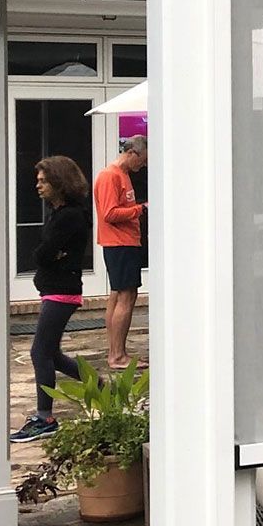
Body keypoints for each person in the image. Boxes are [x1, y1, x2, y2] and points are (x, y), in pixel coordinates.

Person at [10, 156, 90, 443]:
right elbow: (45, 253)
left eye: (44, 181)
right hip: (53, 289)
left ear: (59, 181)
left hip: (62, 291)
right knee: (52, 354)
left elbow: (43, 254)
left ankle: (45, 418)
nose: (38, 185)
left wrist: (48, 256)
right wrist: (48, 255)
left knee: (39, 353)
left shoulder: (71, 215)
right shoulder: (57, 213)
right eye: (38, 180)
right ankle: (102, 388)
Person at [95, 134, 148, 370]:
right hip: (119, 243)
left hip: (126, 242)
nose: (143, 165)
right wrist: (140, 210)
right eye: (143, 160)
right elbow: (109, 213)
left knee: (120, 295)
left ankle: (117, 351)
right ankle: (117, 355)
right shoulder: (110, 176)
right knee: (125, 296)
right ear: (132, 152)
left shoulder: (124, 175)